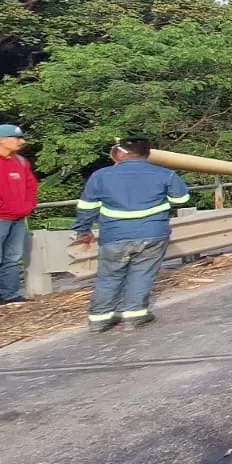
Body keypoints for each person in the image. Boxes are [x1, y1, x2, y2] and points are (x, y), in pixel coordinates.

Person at [72, 138, 189, 331]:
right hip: (153, 233)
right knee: (142, 273)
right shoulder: (164, 174)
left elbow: (87, 207)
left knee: (109, 276)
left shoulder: (100, 176)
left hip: (114, 235)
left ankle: (99, 319)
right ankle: (134, 316)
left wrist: (83, 230)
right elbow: (182, 198)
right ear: (148, 154)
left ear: (119, 154)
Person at [0, 125, 39, 304]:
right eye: (17, 138)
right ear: (2, 140)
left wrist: (28, 206)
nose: (22, 141)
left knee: (13, 258)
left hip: (18, 218)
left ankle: (10, 295)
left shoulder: (21, 162)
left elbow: (31, 186)